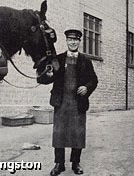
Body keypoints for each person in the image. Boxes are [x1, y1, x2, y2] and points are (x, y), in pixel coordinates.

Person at [45, 29, 98, 176]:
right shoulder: (58, 59)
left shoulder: (85, 61)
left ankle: (76, 163)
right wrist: (48, 74)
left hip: (78, 103)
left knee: (77, 134)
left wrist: (86, 87)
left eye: (75, 40)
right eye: (70, 40)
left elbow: (94, 80)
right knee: (59, 134)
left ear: (79, 42)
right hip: (61, 102)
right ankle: (59, 164)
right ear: (67, 41)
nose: (73, 42)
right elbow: (47, 78)